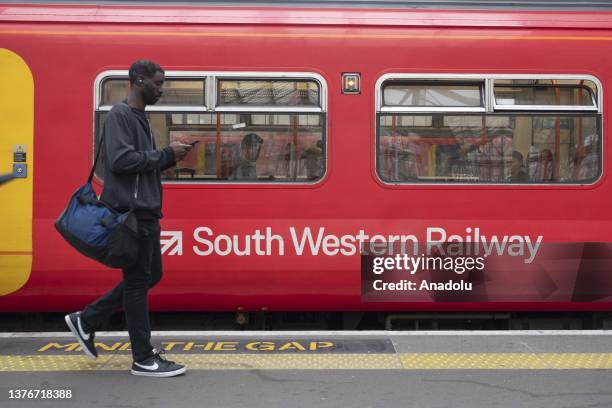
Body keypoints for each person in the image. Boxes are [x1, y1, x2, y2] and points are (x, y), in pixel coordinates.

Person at [64, 60, 192, 377]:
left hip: (145, 213)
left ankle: (88, 318)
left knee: (151, 276)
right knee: (137, 284)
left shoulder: (139, 118)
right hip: (131, 216)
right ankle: (143, 358)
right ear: (138, 80)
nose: (161, 89)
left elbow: (138, 166)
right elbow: (120, 161)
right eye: (158, 83)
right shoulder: (121, 115)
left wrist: (170, 157)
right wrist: (165, 155)